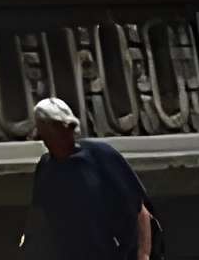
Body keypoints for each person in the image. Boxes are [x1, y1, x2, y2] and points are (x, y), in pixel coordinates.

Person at [25, 95, 155, 260]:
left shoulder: (101, 157)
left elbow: (139, 211)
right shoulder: (46, 168)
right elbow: (39, 218)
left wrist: (143, 255)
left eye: (68, 128)